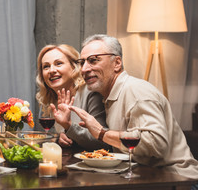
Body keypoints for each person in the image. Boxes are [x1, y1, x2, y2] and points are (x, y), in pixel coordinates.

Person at [64, 34, 198, 180]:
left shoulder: (136, 91)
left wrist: (102, 133)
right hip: (144, 177)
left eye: (93, 60)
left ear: (117, 63)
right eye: (82, 62)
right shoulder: (108, 96)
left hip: (177, 179)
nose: (84, 69)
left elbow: (155, 145)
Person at [36, 44, 109, 150]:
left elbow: (104, 142)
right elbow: (67, 136)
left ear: (74, 67)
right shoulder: (51, 99)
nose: (51, 70)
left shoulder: (90, 93)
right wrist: (59, 138)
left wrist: (69, 126)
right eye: (46, 66)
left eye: (58, 63)